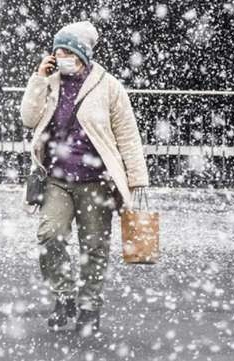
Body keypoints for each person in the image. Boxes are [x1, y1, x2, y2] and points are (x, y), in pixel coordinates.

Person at [20, 21, 149, 334]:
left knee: (93, 247)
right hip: (57, 178)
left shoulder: (108, 86)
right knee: (49, 236)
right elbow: (28, 117)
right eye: (57, 51)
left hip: (96, 181)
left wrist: (136, 179)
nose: (60, 57)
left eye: (66, 51)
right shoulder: (50, 82)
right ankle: (64, 294)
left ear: (82, 54)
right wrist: (38, 79)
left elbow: (127, 135)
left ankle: (89, 307)